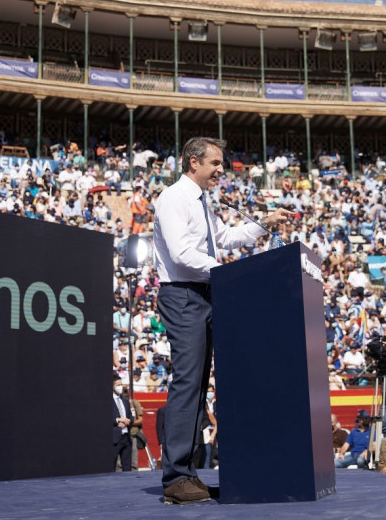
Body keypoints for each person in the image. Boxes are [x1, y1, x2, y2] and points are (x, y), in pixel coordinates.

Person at [153, 137, 292, 504]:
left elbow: (224, 238)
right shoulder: (174, 198)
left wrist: (262, 224)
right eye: (215, 163)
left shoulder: (202, 202)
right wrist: (227, 272)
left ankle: (187, 473)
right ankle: (175, 477)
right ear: (194, 162)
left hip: (206, 295)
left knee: (198, 385)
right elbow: (183, 254)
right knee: (187, 382)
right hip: (183, 295)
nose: (220, 170)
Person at [112, 374, 133, 472]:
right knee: (112, 465)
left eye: (121, 384)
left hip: (126, 437)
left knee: (127, 466)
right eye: (118, 385)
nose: (120, 387)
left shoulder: (125, 401)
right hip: (115, 438)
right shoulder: (109, 401)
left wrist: (128, 421)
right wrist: (118, 420)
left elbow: (131, 416)